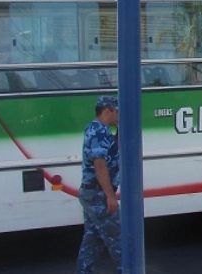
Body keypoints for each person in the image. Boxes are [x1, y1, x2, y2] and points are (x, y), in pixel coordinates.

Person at [76, 96, 121, 274]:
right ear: (107, 110)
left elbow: (113, 150)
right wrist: (110, 196)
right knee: (119, 239)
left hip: (91, 193)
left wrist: (119, 130)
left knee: (92, 240)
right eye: (117, 112)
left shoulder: (99, 130)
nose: (119, 115)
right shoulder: (99, 132)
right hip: (98, 194)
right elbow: (100, 165)